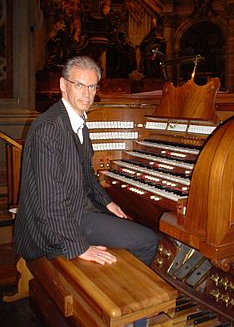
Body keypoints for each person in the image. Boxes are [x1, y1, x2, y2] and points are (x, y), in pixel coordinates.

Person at [14, 55, 159, 268]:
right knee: (148, 241)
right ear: (63, 85)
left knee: (131, 220)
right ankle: (117, 296)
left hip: (76, 209)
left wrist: (107, 201)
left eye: (92, 87)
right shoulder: (49, 129)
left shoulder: (77, 118)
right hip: (50, 228)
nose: (86, 93)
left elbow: (86, 172)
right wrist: (79, 247)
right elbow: (50, 202)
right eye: (79, 85)